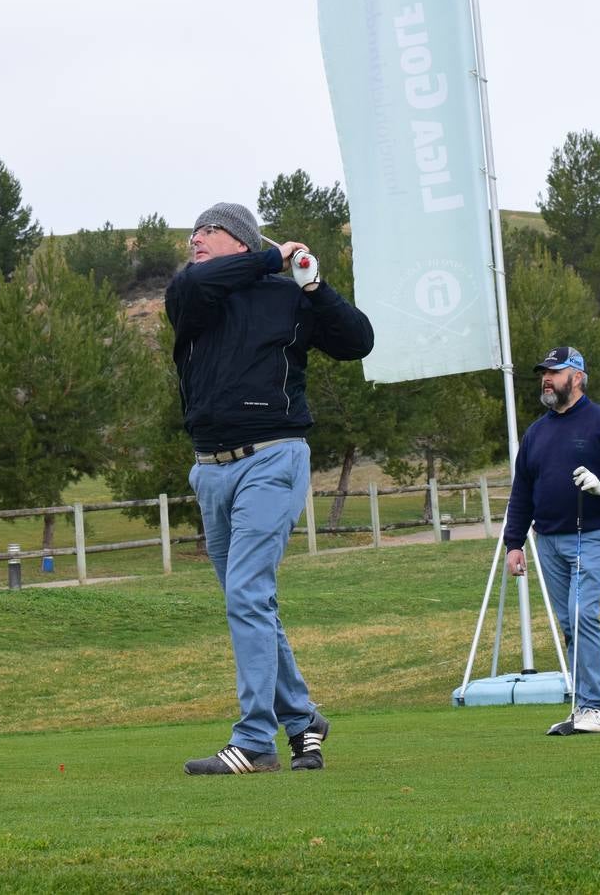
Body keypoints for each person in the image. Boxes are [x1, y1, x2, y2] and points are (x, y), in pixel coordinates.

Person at [166, 202, 374, 774]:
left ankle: (255, 741)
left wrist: (315, 286)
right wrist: (269, 257)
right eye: (194, 231)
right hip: (210, 467)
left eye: (209, 230)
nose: (195, 239)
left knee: (246, 595)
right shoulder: (191, 293)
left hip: (272, 457)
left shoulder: (287, 299)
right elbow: (208, 278)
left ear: (239, 240)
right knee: (250, 600)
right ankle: (304, 721)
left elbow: (358, 341)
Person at [502, 346, 600, 733]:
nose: (546, 378)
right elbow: (522, 491)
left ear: (576, 377)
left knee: (583, 615)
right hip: (548, 540)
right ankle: (583, 708)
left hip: (593, 535)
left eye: (554, 372)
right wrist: (515, 543)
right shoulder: (536, 432)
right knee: (568, 623)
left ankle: (596, 707)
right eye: (543, 373)